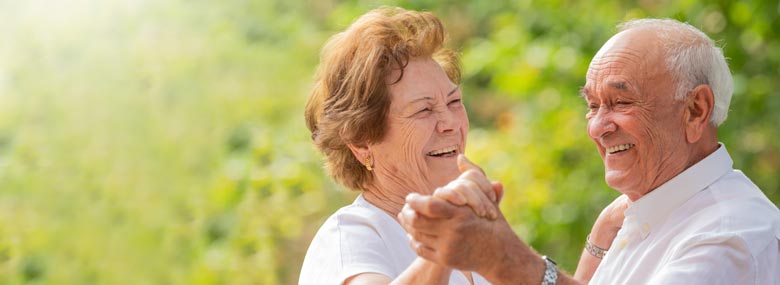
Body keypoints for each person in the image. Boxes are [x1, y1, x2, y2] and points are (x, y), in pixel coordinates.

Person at [399, 18, 780, 284]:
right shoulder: (649, 211)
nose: (598, 128)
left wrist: (502, 258)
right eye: (593, 106)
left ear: (696, 110)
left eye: (621, 102)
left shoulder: (730, 236)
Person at [299, 7, 504, 285]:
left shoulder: (473, 234)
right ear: (361, 142)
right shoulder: (349, 238)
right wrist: (445, 244)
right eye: (424, 110)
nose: (450, 123)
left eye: (454, 102)